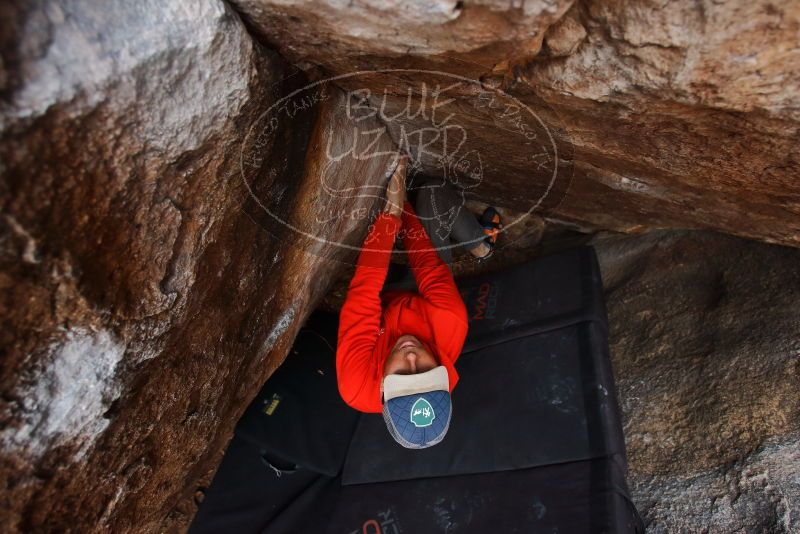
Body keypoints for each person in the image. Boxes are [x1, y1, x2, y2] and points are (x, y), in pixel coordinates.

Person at [336, 155, 503, 449]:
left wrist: (390, 216)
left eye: (402, 374)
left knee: (373, 212)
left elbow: (363, 293)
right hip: (422, 292)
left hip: (383, 303)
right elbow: (425, 263)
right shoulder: (450, 324)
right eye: (426, 369)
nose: (412, 357)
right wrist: (401, 209)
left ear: (384, 388)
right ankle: (479, 244)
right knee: (431, 194)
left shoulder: (355, 384)